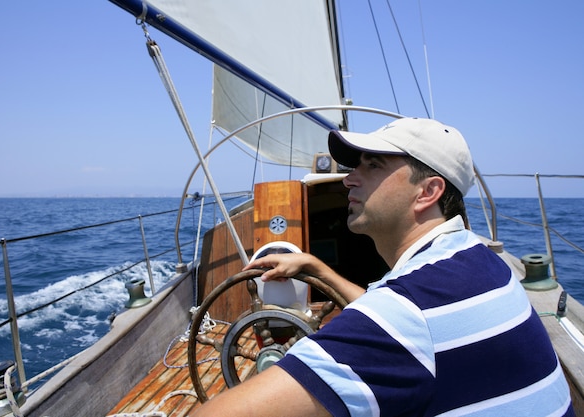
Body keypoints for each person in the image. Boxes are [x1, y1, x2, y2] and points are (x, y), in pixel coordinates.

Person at [190, 117, 574, 416]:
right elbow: (403, 324)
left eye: (371, 165)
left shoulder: (405, 314)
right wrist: (316, 269)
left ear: (428, 191)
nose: (348, 180)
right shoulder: (477, 260)